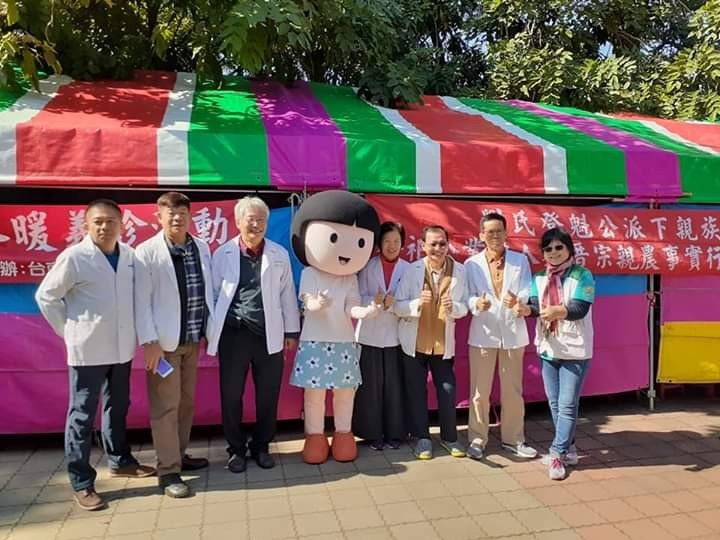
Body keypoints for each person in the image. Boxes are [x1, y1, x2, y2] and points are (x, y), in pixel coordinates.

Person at [35, 199, 154, 511]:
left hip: (121, 348)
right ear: (86, 224)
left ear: (122, 224)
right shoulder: (75, 257)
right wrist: (69, 331)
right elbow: (47, 296)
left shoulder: (129, 256)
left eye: (110, 221)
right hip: (87, 350)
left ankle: (120, 460)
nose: (104, 227)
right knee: (82, 415)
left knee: (118, 406)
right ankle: (81, 481)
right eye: (98, 221)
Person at [206, 196, 300, 473]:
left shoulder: (278, 254)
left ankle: (261, 446)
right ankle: (236, 449)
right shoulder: (222, 253)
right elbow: (213, 294)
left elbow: (287, 295)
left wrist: (291, 331)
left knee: (268, 395)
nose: (256, 225)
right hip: (233, 335)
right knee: (231, 395)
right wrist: (211, 330)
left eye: (261, 220)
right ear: (238, 222)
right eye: (251, 219)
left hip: (268, 335)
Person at [289, 190, 381, 464]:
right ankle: (315, 436)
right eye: (333, 238)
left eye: (360, 241)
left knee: (344, 394)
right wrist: (315, 304)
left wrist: (366, 311)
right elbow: (306, 302)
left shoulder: (350, 278)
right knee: (314, 396)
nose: (346, 251)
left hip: (343, 342)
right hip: (315, 341)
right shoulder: (309, 273)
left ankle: (343, 434)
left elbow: (351, 307)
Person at [134, 192, 214, 498]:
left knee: (186, 403)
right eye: (171, 213)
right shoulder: (147, 252)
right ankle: (167, 472)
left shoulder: (200, 247)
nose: (177, 218)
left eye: (182, 213)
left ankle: (179, 455)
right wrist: (149, 342)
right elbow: (141, 301)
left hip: (191, 340)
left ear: (190, 216)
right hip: (163, 346)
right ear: (159, 217)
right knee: (165, 407)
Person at [515, 227, 594, 480]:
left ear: (569, 249)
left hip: (575, 349)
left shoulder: (582, 275)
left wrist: (559, 311)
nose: (554, 252)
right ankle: (570, 448)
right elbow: (535, 306)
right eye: (548, 248)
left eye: (559, 247)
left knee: (568, 404)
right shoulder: (539, 277)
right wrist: (525, 310)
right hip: (549, 347)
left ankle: (557, 453)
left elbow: (580, 308)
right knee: (555, 402)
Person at [464, 213, 537, 461]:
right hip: (483, 334)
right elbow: (466, 295)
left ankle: (513, 439)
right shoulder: (471, 264)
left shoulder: (520, 260)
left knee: (513, 391)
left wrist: (519, 300)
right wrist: (476, 303)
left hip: (512, 333)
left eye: (499, 231)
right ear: (481, 235)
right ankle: (477, 439)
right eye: (490, 232)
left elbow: (527, 289)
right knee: (479, 392)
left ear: (506, 234)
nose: (495, 235)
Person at [394, 225, 468, 460]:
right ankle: (422, 438)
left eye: (442, 243)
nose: (438, 248)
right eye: (433, 244)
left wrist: (454, 307)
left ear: (448, 244)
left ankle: (450, 437)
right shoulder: (412, 270)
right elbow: (397, 306)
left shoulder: (460, 271)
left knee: (447, 390)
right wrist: (416, 303)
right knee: (416, 391)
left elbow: (465, 306)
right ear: (423, 246)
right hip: (414, 342)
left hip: (442, 344)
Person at [352, 221, 410, 450]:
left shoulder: (408, 269)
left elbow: (411, 301)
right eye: (387, 241)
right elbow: (357, 296)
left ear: (402, 243)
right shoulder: (367, 266)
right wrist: (374, 302)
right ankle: (372, 433)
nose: (392, 246)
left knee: (395, 387)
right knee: (370, 388)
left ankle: (395, 433)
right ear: (379, 244)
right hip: (370, 334)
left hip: (396, 336)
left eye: (396, 241)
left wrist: (394, 303)